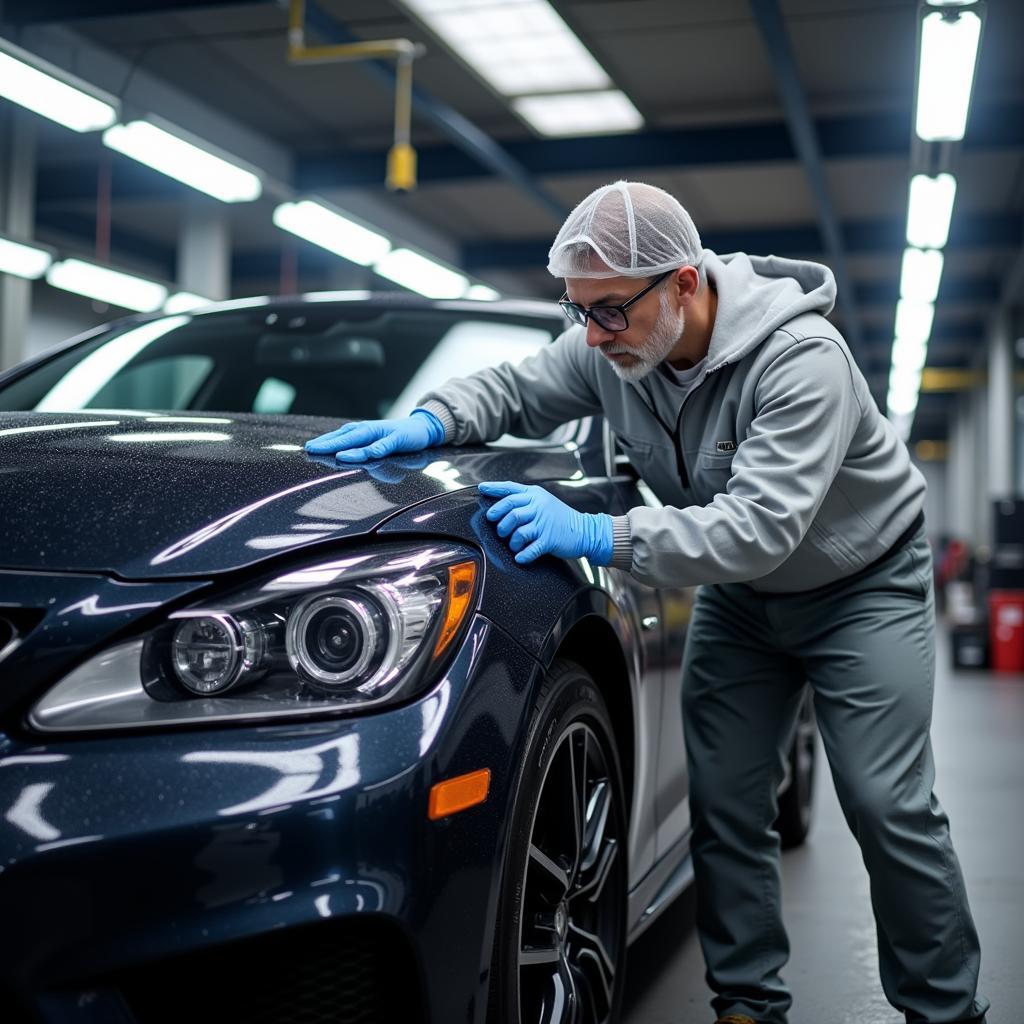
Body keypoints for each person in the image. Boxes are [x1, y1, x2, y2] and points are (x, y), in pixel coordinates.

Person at [305, 181, 989, 1024]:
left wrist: (599, 533)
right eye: (579, 310)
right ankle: (747, 1003)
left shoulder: (800, 361)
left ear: (684, 285)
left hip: (861, 588)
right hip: (744, 602)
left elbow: (757, 530)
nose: (592, 335)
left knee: (888, 806)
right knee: (727, 802)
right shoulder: (616, 342)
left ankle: (947, 1011)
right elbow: (518, 389)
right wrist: (429, 421)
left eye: (610, 312)